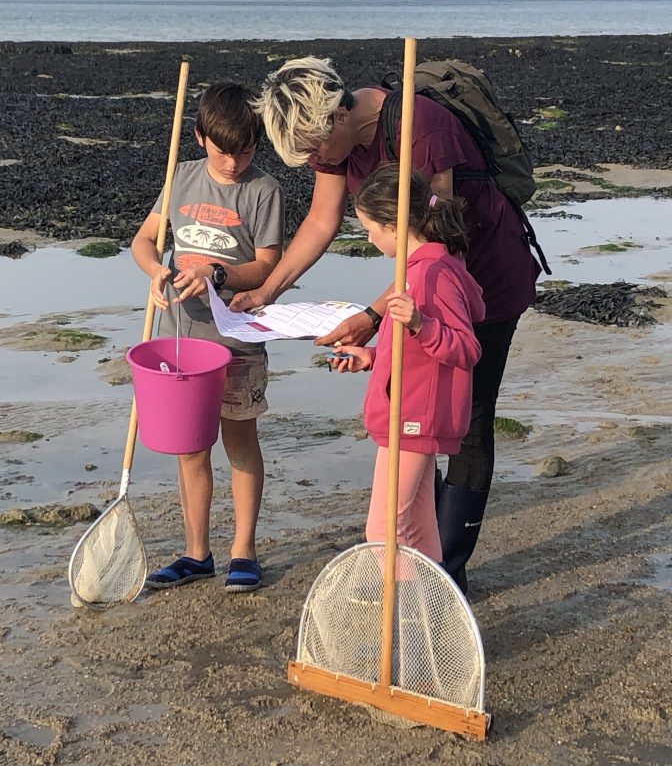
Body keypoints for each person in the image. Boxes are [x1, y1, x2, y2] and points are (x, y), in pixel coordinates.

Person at [230, 56, 540, 593]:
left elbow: (439, 242)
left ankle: (449, 574)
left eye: (311, 149)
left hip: (479, 277)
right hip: (417, 291)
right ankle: (424, 565)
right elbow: (323, 221)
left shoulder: (422, 129)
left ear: (334, 118)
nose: (311, 161)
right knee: (419, 418)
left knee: (465, 420)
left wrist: (374, 316)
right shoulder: (335, 143)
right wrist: (265, 291)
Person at [131, 82, 284, 594]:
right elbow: (144, 241)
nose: (234, 163)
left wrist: (218, 274)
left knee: (239, 439)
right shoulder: (182, 176)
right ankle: (197, 553)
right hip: (181, 340)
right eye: (223, 153)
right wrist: (155, 269)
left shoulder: (264, 190)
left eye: (244, 152)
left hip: (237, 339)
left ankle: (245, 549)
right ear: (199, 137)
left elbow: (266, 265)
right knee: (190, 448)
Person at [328, 165, 485, 559]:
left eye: (369, 229)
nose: (369, 238)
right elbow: (415, 357)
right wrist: (372, 357)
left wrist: (421, 323)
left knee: (383, 529)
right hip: (404, 410)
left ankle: (398, 611)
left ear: (393, 226)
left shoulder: (435, 273)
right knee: (416, 525)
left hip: (415, 419)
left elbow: (466, 349)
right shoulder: (415, 272)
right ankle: (427, 612)